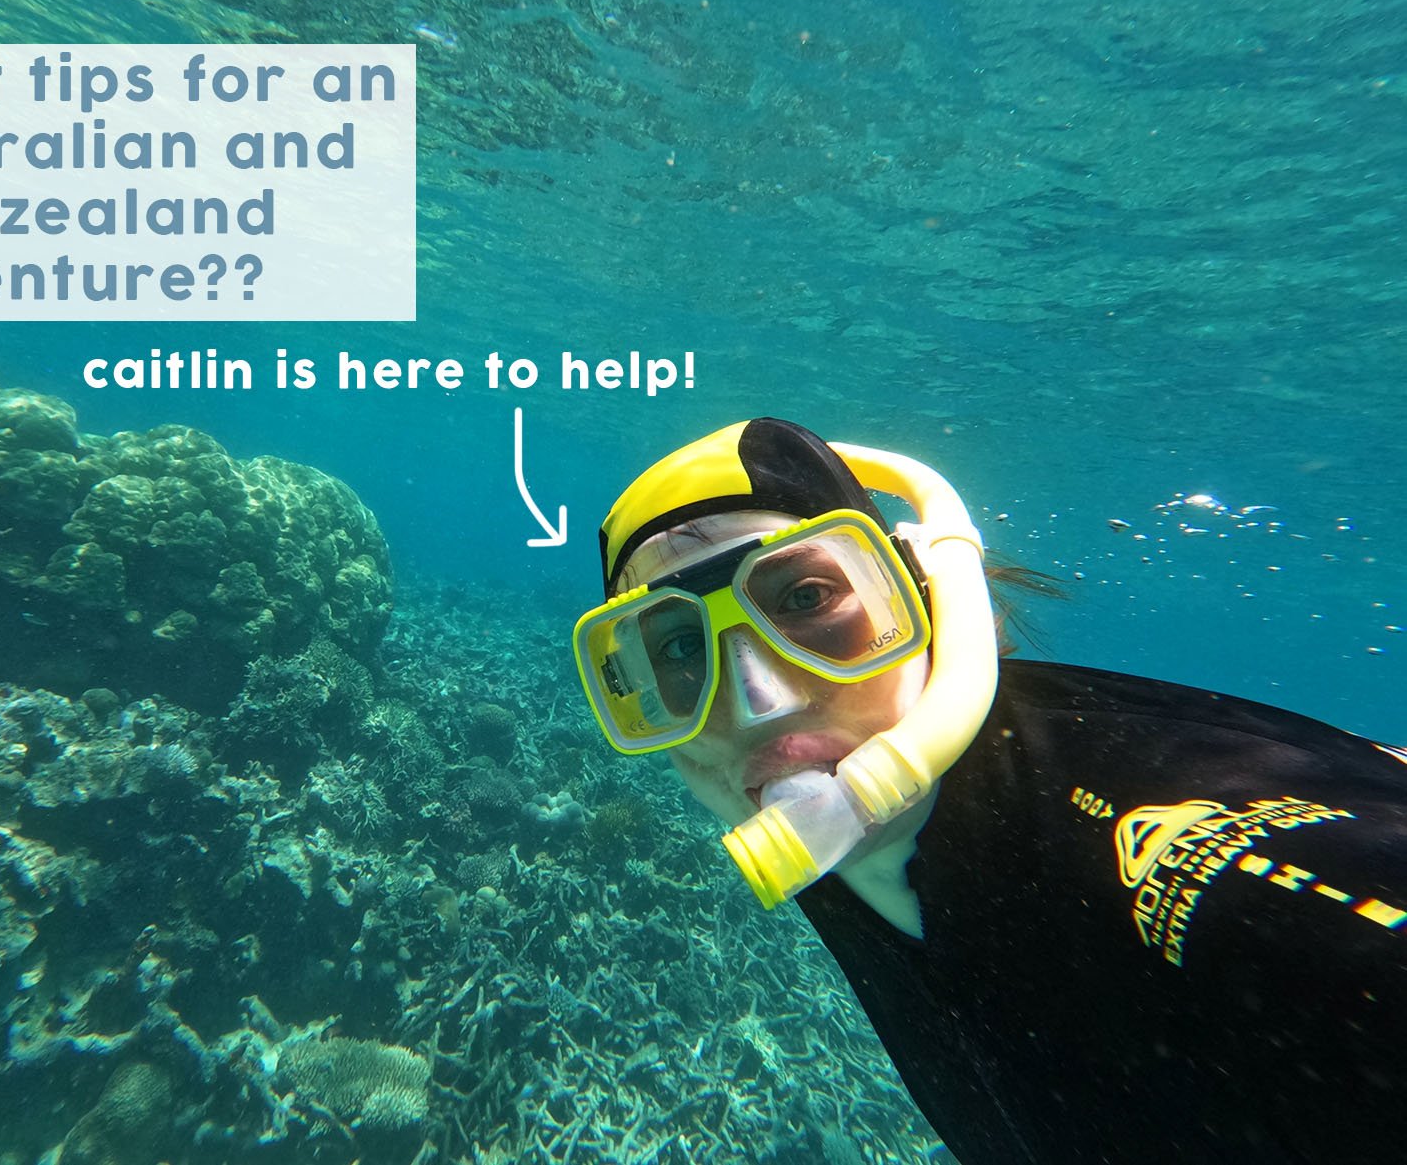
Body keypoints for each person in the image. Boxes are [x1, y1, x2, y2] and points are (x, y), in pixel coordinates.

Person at [571, 417, 1407, 1164]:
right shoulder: (840, 826)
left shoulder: (1194, 869)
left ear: (923, 598)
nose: (763, 701)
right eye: (679, 648)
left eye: (807, 597)